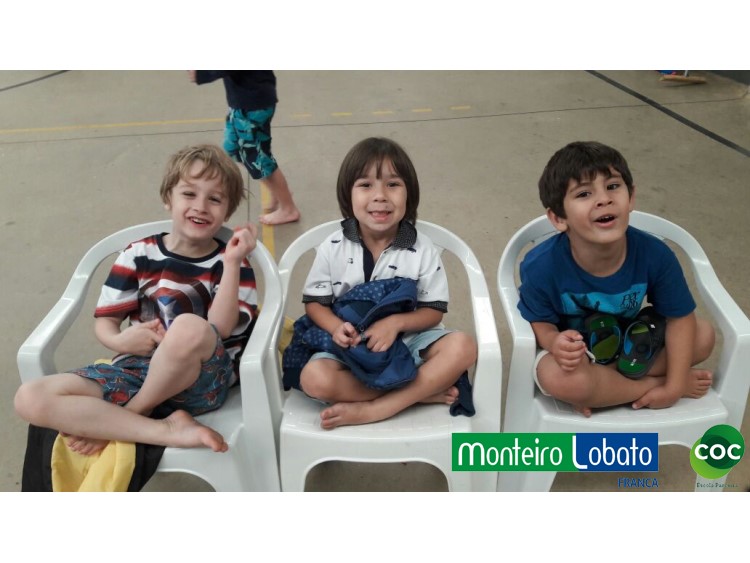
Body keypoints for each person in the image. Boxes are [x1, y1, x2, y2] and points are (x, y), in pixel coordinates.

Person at [14, 144, 259, 454]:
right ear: (168, 198)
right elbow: (106, 322)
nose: (200, 206)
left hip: (201, 382)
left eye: (215, 199)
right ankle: (163, 429)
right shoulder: (138, 253)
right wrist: (119, 341)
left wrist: (234, 262)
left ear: (227, 211)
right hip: (136, 372)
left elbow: (219, 328)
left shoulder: (231, 260)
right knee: (30, 398)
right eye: (189, 194)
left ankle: (132, 414)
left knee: (188, 327)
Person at [283, 137, 477, 429]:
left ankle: (378, 408)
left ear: (409, 194)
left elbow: (433, 312)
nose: (380, 196)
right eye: (366, 185)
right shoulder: (332, 246)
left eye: (393, 184)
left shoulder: (422, 248)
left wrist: (395, 323)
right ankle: (418, 394)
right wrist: (336, 327)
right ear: (347, 195)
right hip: (352, 347)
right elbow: (315, 304)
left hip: (408, 341)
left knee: (464, 347)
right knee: (314, 379)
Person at [518, 140, 715, 417]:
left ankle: (604, 390)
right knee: (564, 380)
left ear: (631, 197)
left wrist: (673, 388)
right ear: (559, 218)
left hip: (631, 345)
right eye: (584, 193)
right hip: (575, 357)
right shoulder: (540, 265)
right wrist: (554, 342)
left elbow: (680, 319)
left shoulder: (655, 254)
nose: (604, 199)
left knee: (703, 335)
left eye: (612, 186)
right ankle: (640, 385)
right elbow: (540, 321)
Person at [188, 70, 301, 226]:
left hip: (252, 106)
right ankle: (278, 191)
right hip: (242, 103)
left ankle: (288, 209)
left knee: (259, 160)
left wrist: (202, 73)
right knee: (232, 150)